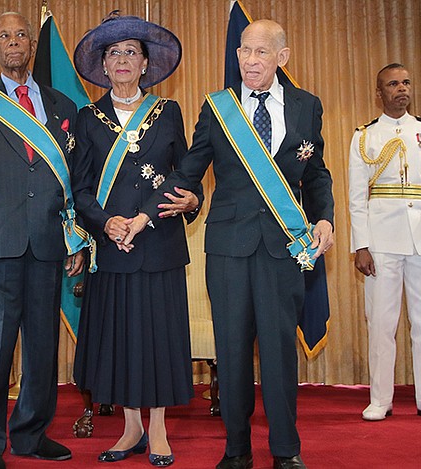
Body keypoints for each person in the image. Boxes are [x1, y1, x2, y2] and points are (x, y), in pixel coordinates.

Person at [124, 19, 334, 469]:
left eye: (261, 52)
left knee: (279, 353)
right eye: (244, 51)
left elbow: (316, 173)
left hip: (284, 247)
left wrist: (325, 219)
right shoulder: (218, 108)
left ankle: (286, 451)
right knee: (233, 351)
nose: (250, 60)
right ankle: (236, 450)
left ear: (283, 57)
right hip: (228, 248)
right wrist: (155, 210)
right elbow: (189, 170)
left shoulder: (306, 106)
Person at [0, 12, 87, 469]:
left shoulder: (63, 108)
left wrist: (78, 239)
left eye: (21, 35)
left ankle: (30, 434)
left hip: (49, 240)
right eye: (4, 36)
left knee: (42, 347)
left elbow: (74, 183)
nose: (14, 42)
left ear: (32, 45)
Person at [71, 13, 201, 467]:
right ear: (103, 66)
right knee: (121, 340)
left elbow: (187, 174)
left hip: (158, 240)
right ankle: (130, 429)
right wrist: (106, 223)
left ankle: (160, 430)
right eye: (113, 53)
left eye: (131, 52)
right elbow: (79, 188)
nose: (122, 60)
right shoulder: (86, 119)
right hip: (112, 247)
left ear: (146, 64)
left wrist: (180, 205)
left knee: (160, 339)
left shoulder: (169, 112)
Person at [348, 63, 421, 423]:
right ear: (379, 92)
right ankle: (380, 399)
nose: (401, 89)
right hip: (382, 239)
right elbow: (357, 195)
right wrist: (361, 244)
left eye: (405, 82)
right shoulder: (364, 136)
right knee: (382, 322)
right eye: (392, 84)